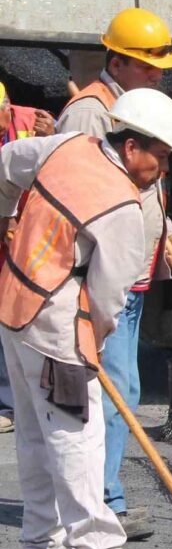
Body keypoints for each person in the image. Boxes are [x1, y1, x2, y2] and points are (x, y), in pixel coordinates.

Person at [0, 88, 172, 549]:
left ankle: (43, 538)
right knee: (78, 433)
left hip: (13, 303)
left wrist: (4, 221)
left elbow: (6, 162)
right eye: (161, 155)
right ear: (131, 147)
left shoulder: (65, 146)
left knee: (36, 429)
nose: (162, 169)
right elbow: (109, 297)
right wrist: (94, 344)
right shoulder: (121, 205)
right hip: (58, 319)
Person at [57, 7, 172, 541]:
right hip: (101, 277)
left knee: (121, 391)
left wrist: (168, 231)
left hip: (133, 270)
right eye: (147, 63)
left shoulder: (134, 108)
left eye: (160, 64)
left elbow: (146, 182)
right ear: (116, 60)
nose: (159, 72)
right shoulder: (90, 113)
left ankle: (104, 497)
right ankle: (102, 503)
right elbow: (78, 188)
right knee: (107, 394)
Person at [0, 81, 56, 435]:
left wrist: (54, 134)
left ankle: (9, 402)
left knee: (10, 315)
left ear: (7, 105)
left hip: (23, 234)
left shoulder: (32, 122)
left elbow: (64, 163)